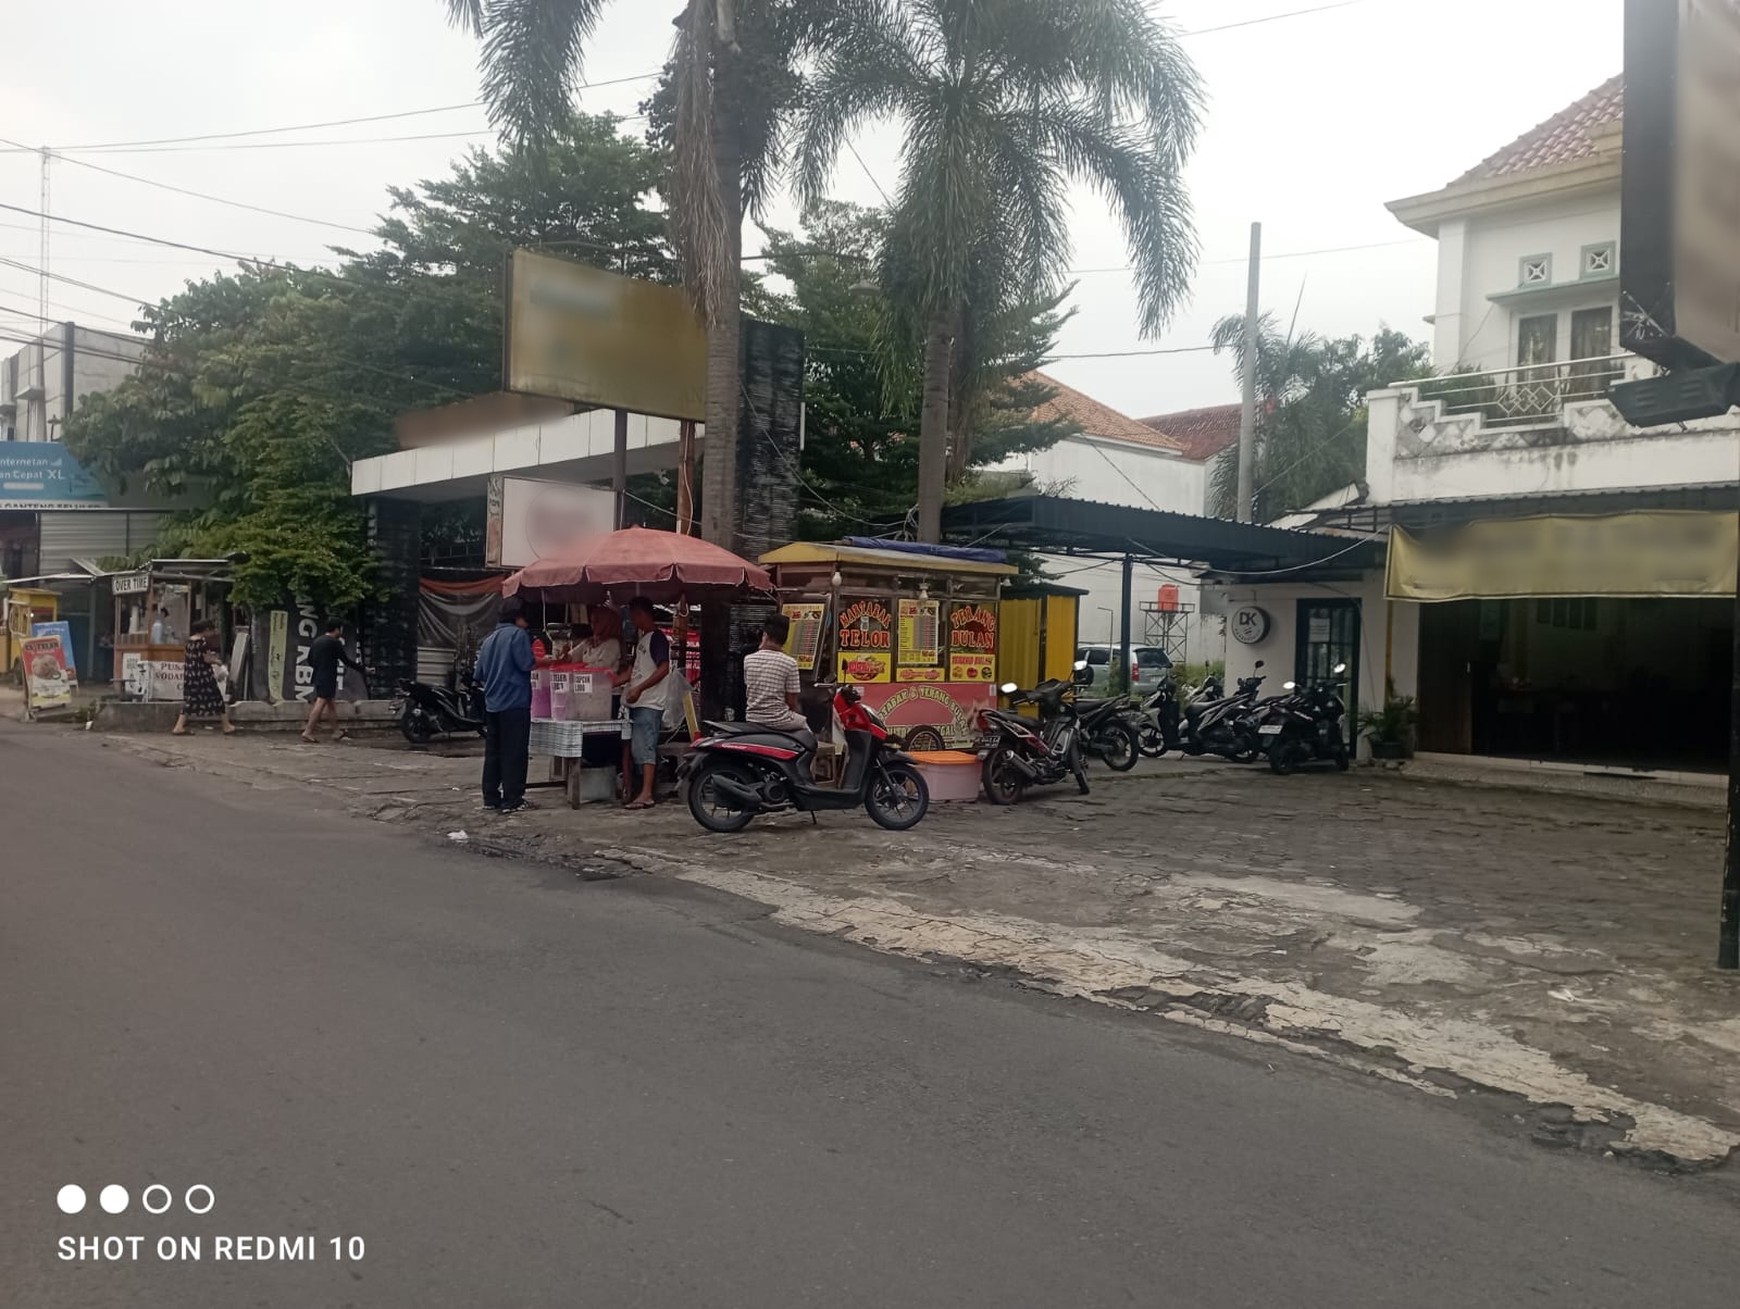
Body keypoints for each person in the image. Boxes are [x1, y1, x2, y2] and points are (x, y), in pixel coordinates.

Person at [475, 595, 535, 813]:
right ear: (518, 616)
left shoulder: (489, 639)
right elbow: (526, 663)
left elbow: (479, 673)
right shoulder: (518, 636)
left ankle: (491, 797)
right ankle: (513, 798)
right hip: (515, 702)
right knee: (514, 752)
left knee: (494, 752)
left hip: (493, 703)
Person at [616, 596, 671, 810]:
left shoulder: (657, 638)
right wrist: (609, 681)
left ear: (641, 614)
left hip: (650, 702)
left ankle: (647, 793)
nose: (631, 620)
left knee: (645, 746)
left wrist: (639, 688)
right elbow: (633, 670)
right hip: (639, 702)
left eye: (633, 615)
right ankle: (642, 789)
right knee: (638, 747)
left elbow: (664, 668)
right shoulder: (643, 639)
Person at [744, 613, 810, 736]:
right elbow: (792, 702)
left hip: (752, 718)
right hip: (779, 720)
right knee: (807, 734)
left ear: (765, 636)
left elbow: (750, 689)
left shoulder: (748, 659)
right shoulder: (790, 663)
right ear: (784, 640)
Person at [302, 619, 364, 744]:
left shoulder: (317, 641)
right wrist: (363, 669)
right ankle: (308, 731)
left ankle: (336, 731)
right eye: (340, 628)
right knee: (320, 703)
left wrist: (320, 667)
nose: (341, 631)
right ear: (336, 629)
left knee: (330, 704)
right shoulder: (334, 643)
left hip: (319, 676)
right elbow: (346, 661)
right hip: (327, 677)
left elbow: (310, 659)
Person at [172, 619, 234, 736]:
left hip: (190, 675)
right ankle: (226, 726)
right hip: (203, 676)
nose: (213, 633)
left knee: (190, 700)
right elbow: (206, 659)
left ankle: (179, 726)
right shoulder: (202, 642)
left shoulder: (189, 641)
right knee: (217, 698)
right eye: (211, 630)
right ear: (206, 630)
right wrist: (218, 662)